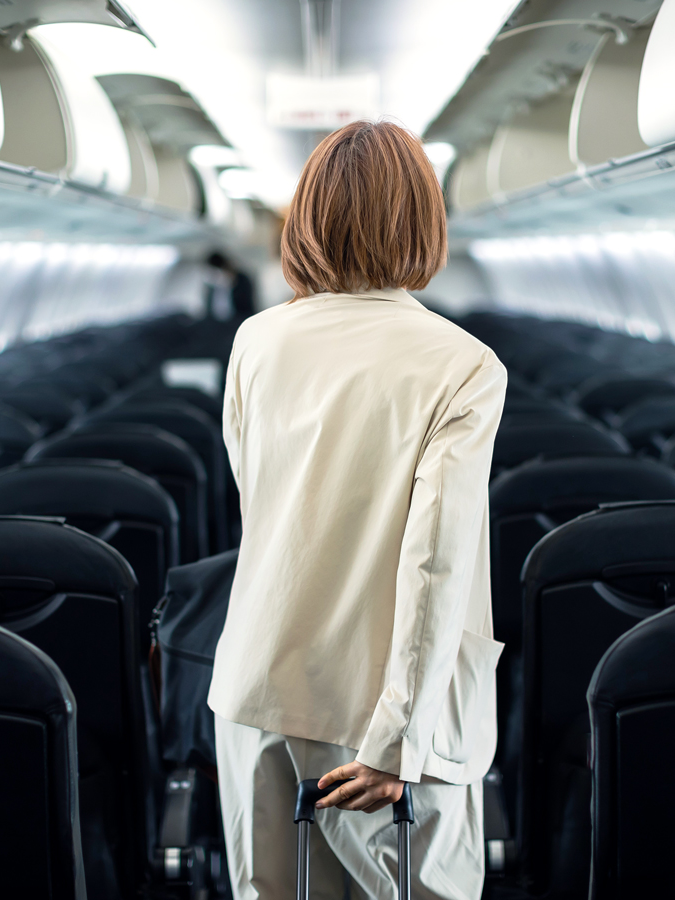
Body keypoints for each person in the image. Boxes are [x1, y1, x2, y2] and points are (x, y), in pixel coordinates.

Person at [210, 120, 506, 900]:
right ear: (422, 219)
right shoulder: (464, 365)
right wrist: (396, 741)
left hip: (258, 689)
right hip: (385, 713)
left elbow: (265, 508)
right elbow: (437, 562)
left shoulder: (256, 342)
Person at [205, 251, 256, 321]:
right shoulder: (212, 285)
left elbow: (246, 305)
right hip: (218, 323)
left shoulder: (241, 280)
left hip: (239, 320)